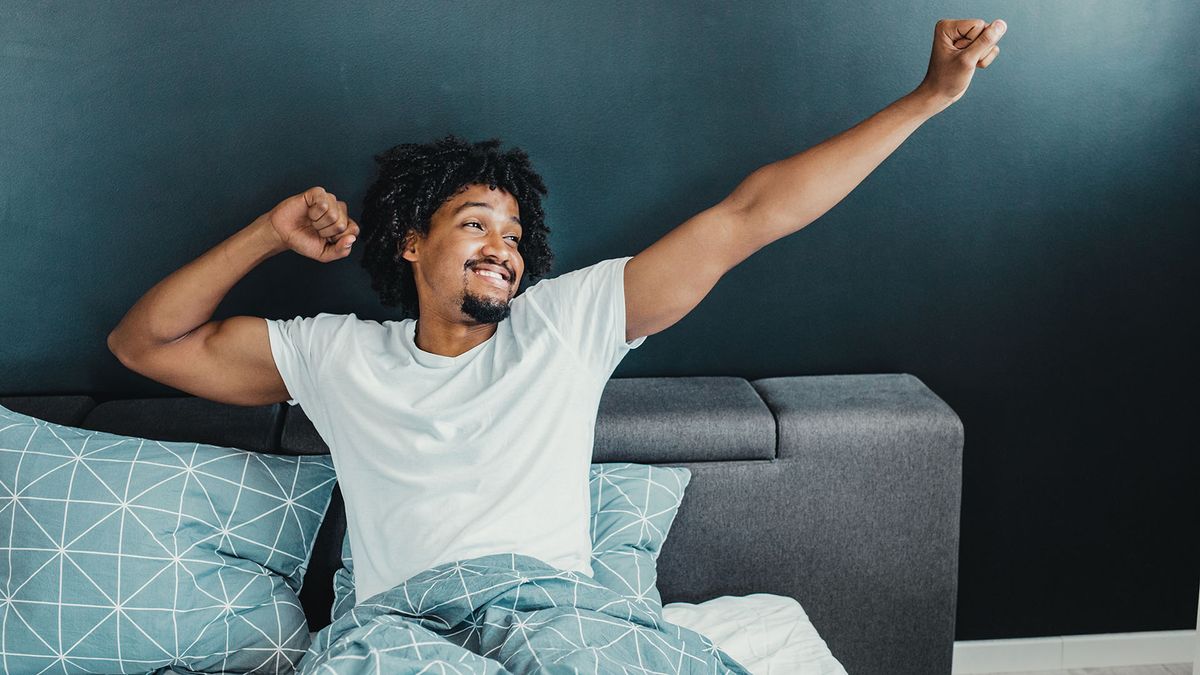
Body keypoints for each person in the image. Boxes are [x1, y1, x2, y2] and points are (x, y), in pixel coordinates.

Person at [108, 16, 1005, 668]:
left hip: (555, 612)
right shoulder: (335, 354)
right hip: (400, 628)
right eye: (473, 223)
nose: (503, 246)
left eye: (513, 234)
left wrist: (926, 99)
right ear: (411, 242)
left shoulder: (567, 321)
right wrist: (269, 232)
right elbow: (146, 344)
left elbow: (749, 216)